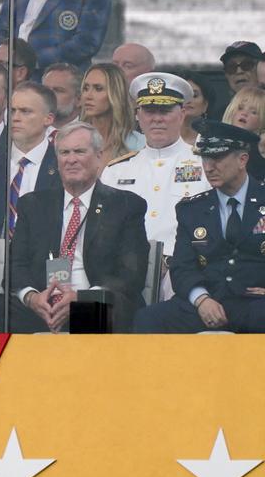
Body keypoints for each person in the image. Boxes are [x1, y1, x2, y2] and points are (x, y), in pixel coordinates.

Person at [9, 121, 149, 332]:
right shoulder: (33, 204)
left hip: (94, 302)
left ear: (99, 156)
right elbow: (15, 264)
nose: (71, 159)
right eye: (64, 152)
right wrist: (32, 298)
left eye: (80, 151)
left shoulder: (125, 205)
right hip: (43, 305)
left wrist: (82, 298)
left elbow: (131, 274)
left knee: (98, 309)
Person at [134, 121, 265, 333]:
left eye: (217, 158)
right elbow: (182, 267)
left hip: (255, 302)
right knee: (149, 318)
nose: (208, 167)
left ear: (242, 160)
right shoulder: (192, 209)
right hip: (207, 300)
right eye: (204, 158)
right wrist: (201, 300)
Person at [101, 73, 210, 262]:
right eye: (150, 111)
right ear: (138, 115)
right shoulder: (115, 171)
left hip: (185, 269)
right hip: (128, 273)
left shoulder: (206, 164)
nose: (157, 119)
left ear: (182, 113)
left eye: (165, 111)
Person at [0, 81, 61, 239]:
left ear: (48, 119)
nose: (15, 118)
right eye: (12, 111)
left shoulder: (63, 169)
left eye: (25, 111)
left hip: (45, 261)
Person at [79, 63, 143, 163]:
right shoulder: (70, 141)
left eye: (98, 89)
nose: (88, 96)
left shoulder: (139, 145)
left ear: (116, 94)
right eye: (85, 88)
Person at [42, 62, 82, 130]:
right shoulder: (28, 130)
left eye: (58, 90)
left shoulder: (93, 133)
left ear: (79, 99)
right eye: (45, 90)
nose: (49, 95)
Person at [180, 71, 215, 146]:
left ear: (205, 105)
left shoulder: (216, 142)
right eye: (183, 95)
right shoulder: (160, 138)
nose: (188, 100)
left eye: (194, 95)